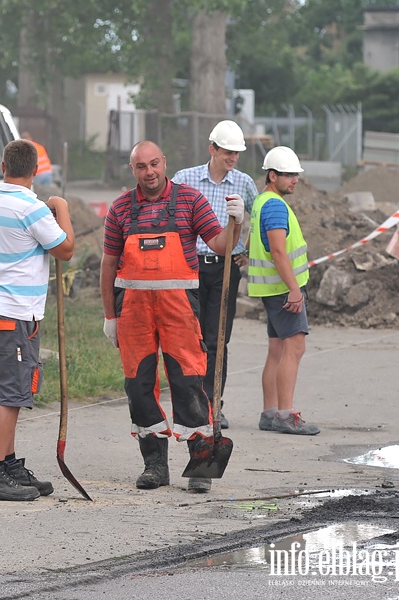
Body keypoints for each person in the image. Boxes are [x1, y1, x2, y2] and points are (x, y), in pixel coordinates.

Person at [100, 140, 244, 494]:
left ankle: (202, 465)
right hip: (133, 312)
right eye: (140, 167)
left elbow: (222, 246)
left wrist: (238, 222)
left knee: (189, 382)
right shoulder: (120, 209)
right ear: (132, 170)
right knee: (138, 386)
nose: (149, 172)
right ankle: (155, 464)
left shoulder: (190, 201)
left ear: (164, 162)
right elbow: (107, 264)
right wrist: (109, 315)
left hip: (180, 310)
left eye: (154, 164)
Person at [0, 139, 74, 501]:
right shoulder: (32, 208)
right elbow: (65, 248)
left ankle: (9, 465)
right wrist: (60, 208)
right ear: (34, 171)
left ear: (3, 167)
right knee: (12, 397)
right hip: (14, 313)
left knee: (7, 394)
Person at [171, 120, 258, 430]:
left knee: (218, 336)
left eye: (236, 153)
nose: (232, 158)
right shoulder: (186, 179)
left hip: (225, 268)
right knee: (190, 337)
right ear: (212, 149)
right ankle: (192, 403)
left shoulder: (244, 183)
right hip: (191, 265)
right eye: (227, 152)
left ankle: (213, 403)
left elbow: (258, 218)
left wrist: (245, 251)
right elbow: (171, 218)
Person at [248, 146, 320, 435]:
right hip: (283, 290)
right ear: (272, 175)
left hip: (272, 289)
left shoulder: (262, 201)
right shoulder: (276, 205)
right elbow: (278, 251)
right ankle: (286, 415)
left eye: (296, 174)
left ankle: (270, 413)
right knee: (295, 347)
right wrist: (294, 290)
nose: (295, 180)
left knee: (277, 350)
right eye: (289, 174)